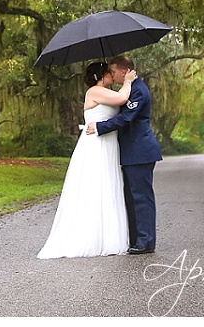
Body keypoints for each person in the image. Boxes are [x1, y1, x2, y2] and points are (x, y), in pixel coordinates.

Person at [37, 62, 138, 259]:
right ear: (101, 75)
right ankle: (90, 237)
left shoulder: (103, 91)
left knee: (106, 186)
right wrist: (128, 81)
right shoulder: (95, 91)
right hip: (96, 145)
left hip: (107, 144)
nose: (112, 75)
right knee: (95, 186)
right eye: (109, 72)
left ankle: (106, 235)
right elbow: (121, 98)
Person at [86, 55, 162, 254]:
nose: (111, 75)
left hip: (140, 151)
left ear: (123, 71)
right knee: (130, 197)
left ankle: (146, 241)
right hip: (130, 152)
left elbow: (126, 118)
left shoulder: (138, 91)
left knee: (141, 197)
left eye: (112, 72)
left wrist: (100, 127)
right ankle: (136, 239)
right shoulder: (127, 89)